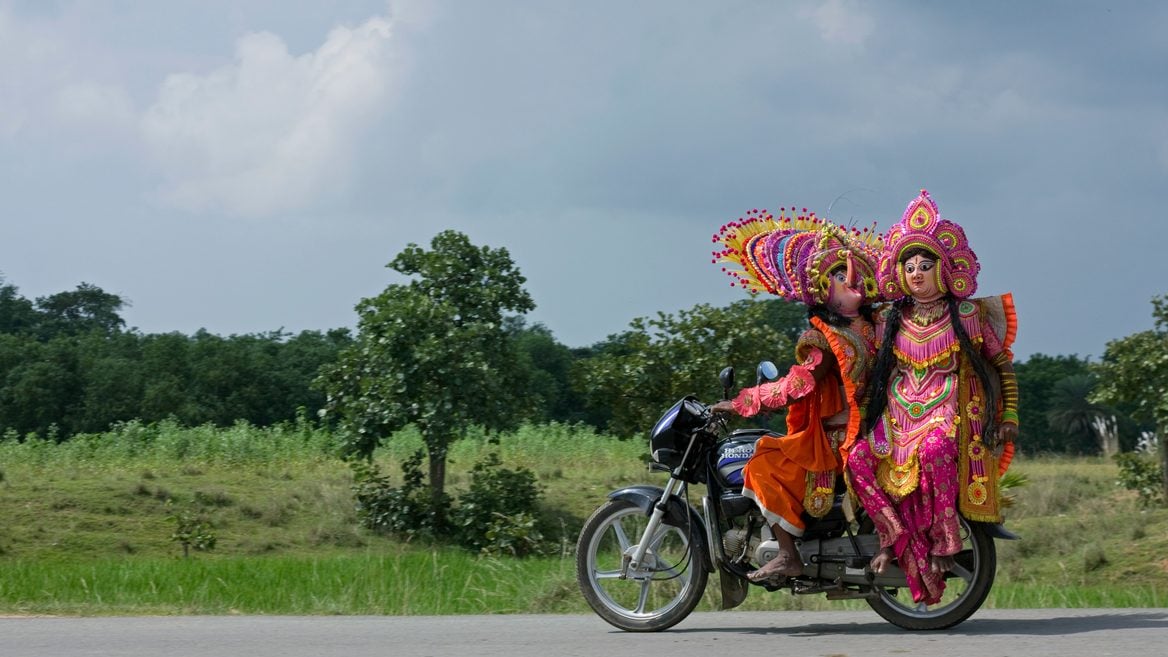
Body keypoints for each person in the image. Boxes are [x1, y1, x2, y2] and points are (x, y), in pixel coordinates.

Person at [847, 190, 1019, 605]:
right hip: (897, 418)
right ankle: (892, 535)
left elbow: (1002, 364)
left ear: (946, 269)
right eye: (909, 265)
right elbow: (859, 350)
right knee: (856, 460)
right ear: (900, 273)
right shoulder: (890, 318)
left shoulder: (967, 316)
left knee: (937, 449)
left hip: (947, 417)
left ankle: (945, 541)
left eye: (926, 265)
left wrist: (1009, 412)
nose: (917, 273)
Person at [710, 207, 883, 583]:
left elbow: (796, 386)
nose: (849, 280)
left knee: (761, 464)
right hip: (867, 430)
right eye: (839, 275)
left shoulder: (822, 337)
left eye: (850, 273)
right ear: (822, 289)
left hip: (838, 440)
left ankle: (788, 556)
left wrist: (742, 402)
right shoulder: (871, 329)